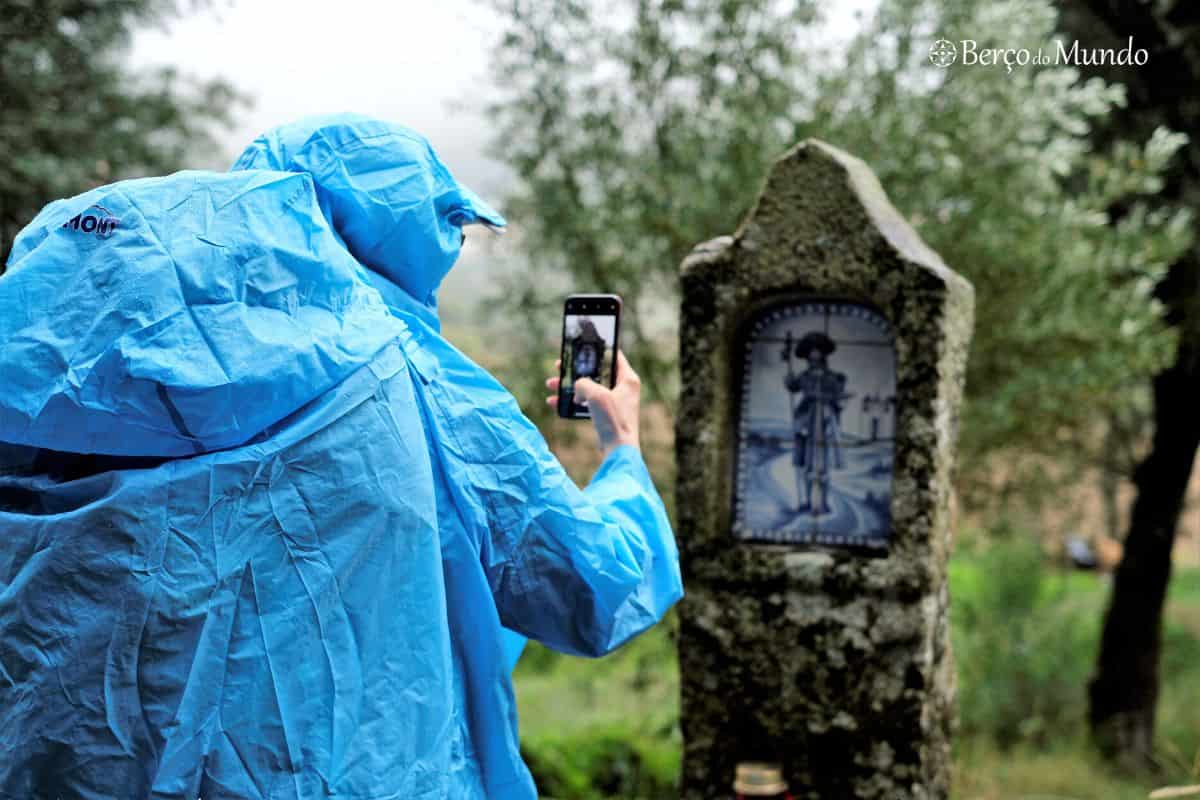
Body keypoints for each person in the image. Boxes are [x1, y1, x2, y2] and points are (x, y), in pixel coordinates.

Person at [0, 114, 682, 800]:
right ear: (415, 232)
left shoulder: (52, 361)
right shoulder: (418, 378)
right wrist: (623, 447)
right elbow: (591, 586)